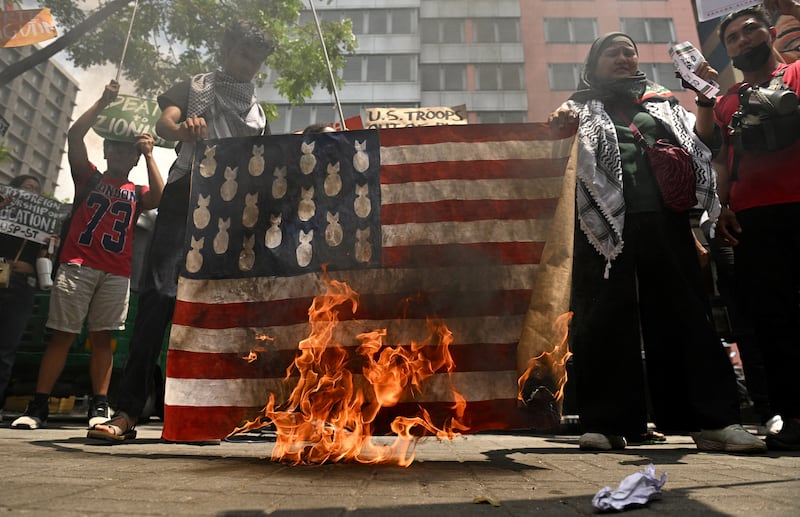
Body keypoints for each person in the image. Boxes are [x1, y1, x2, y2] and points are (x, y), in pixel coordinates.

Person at [548, 33, 766, 452]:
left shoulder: (662, 102)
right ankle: (607, 424)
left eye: (629, 51)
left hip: (667, 223)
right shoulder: (579, 108)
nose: (623, 57)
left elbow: (704, 144)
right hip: (603, 229)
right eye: (612, 52)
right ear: (592, 65)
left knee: (687, 318)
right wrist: (559, 125)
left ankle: (713, 422)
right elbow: (553, 157)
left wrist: (703, 99)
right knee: (605, 321)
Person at [87, 20, 275, 442]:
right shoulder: (193, 87)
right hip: (185, 194)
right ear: (226, 49)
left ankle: (208, 415)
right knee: (159, 296)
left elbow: (262, 165)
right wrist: (183, 129)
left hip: (233, 208)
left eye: (256, 59)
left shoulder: (258, 113)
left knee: (219, 306)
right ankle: (128, 411)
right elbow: (165, 125)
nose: (248, 65)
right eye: (243, 54)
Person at [10, 80, 163, 430]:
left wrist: (152, 153)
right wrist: (102, 102)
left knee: (103, 337)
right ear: (107, 151)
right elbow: (74, 136)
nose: (124, 156)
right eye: (118, 150)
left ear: (135, 159)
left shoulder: (137, 192)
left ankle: (99, 403)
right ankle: (38, 406)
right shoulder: (88, 177)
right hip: (78, 265)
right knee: (62, 334)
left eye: (131, 153)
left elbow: (161, 198)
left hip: (116, 271)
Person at [713, 1, 800, 450]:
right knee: (772, 321)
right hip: (753, 219)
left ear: (769, 32)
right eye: (733, 37)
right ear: (728, 50)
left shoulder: (799, 73)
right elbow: (724, 159)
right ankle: (791, 416)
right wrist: (721, 205)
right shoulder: (725, 103)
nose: (743, 40)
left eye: (750, 31)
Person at [0, 175, 47, 420]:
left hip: (21, 286)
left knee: (6, 349)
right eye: (27, 187)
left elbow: (45, 257)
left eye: (36, 189)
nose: (32, 192)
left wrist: (33, 267)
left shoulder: (41, 225)